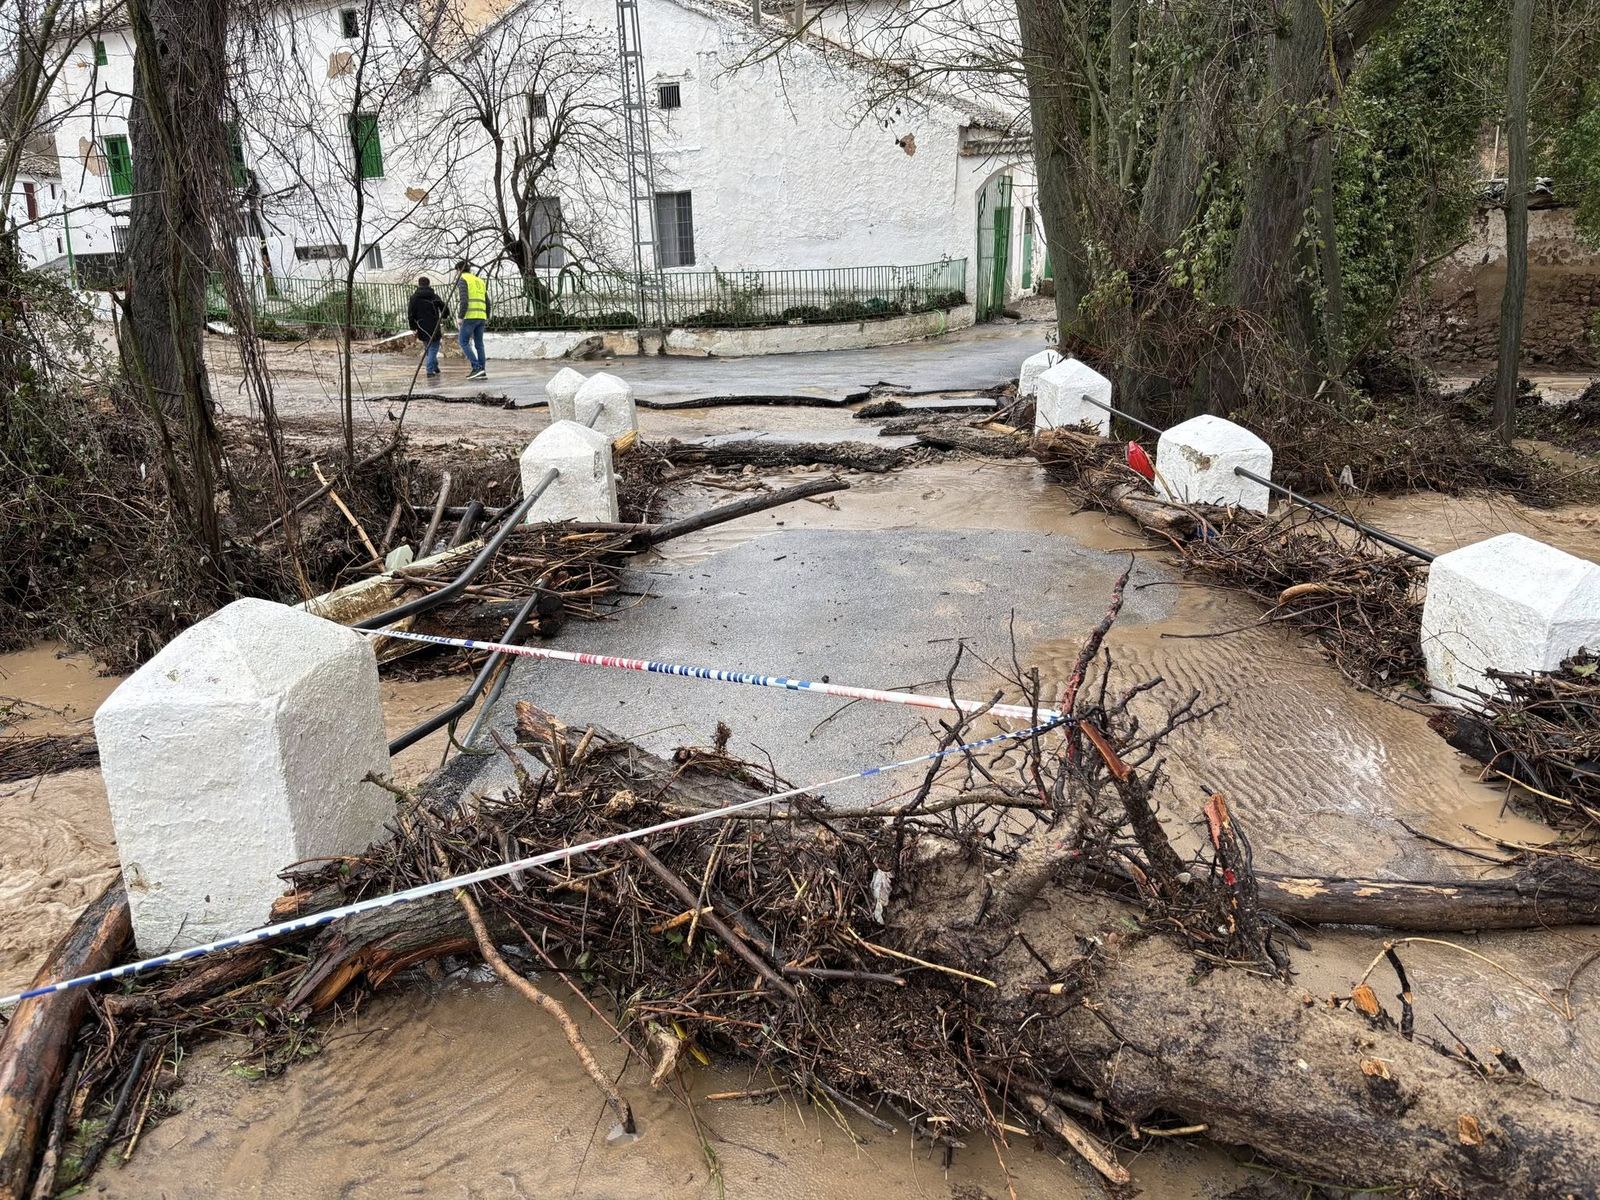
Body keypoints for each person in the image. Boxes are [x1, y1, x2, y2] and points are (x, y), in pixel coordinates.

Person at [454, 259, 490, 380]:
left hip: (470, 316)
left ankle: (476, 368)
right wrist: (487, 315)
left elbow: (464, 301)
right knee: (479, 344)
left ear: (459, 270)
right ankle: (482, 370)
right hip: (481, 316)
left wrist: (460, 317)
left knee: (463, 342)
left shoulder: (463, 280)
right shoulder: (479, 280)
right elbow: (487, 301)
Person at [407, 276, 449, 378]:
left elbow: (411, 314)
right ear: (429, 284)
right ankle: (430, 370)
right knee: (434, 348)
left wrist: (413, 327)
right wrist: (444, 315)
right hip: (434, 324)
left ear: (419, 284)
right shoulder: (434, 296)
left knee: (428, 348)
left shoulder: (414, 298)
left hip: (421, 326)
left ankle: (434, 367)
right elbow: (444, 308)